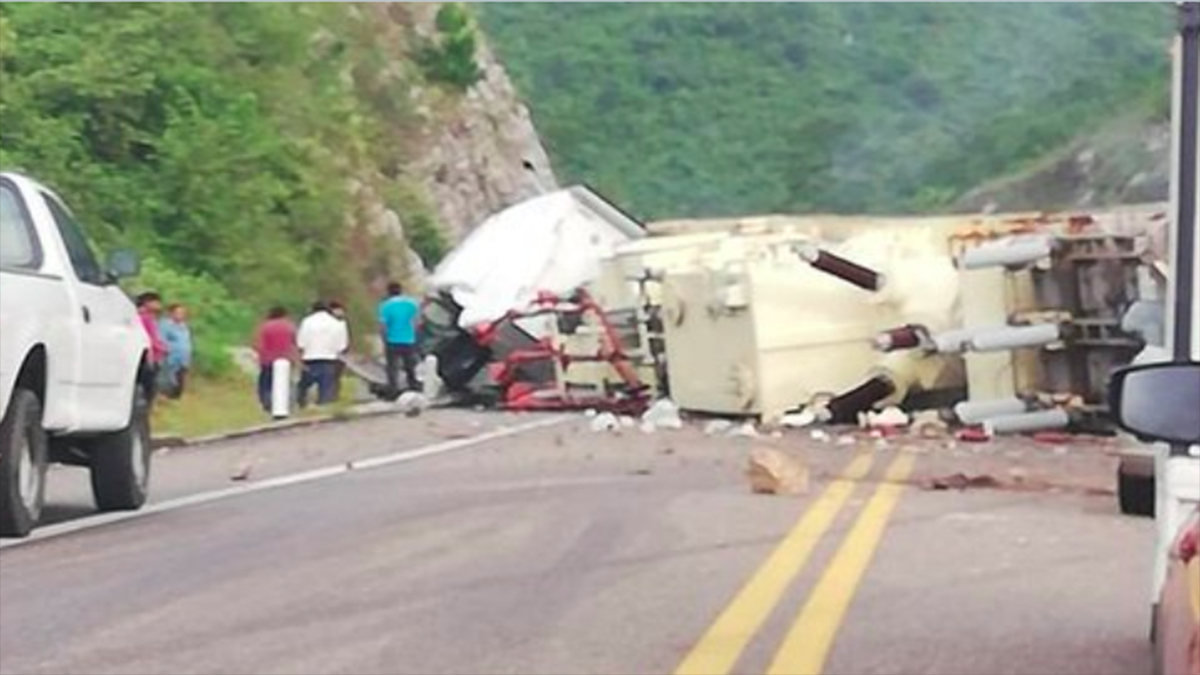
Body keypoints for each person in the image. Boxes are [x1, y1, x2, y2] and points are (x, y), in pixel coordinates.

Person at [296, 301, 348, 407]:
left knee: (303, 387)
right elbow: (342, 346)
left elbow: (300, 343)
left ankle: (302, 405)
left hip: (310, 359)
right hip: (329, 360)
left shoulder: (306, 322)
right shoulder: (336, 323)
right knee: (326, 390)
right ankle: (324, 407)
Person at [378, 281, 422, 397]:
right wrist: (414, 334)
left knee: (392, 367)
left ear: (388, 292)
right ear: (401, 290)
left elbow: (383, 326)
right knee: (410, 366)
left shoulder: (385, 306)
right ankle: (413, 387)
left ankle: (393, 390)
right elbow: (417, 322)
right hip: (409, 340)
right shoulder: (411, 304)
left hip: (392, 340)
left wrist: (384, 339)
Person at [253, 306, 297, 413]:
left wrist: (260, 355)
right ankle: (287, 404)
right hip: (285, 359)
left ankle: (267, 402)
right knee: (286, 383)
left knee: (265, 383)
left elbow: (258, 344)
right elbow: (295, 344)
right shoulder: (290, 326)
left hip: (267, 360)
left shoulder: (265, 327)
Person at [135, 292, 167, 400]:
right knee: (148, 383)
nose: (158, 305)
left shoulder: (151, 318)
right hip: (149, 355)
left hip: (153, 355)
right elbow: (150, 337)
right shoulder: (145, 318)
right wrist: (162, 348)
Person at [158, 303, 193, 399]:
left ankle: (176, 398)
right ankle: (164, 397)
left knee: (180, 381)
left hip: (183, 359)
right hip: (170, 358)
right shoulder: (165, 325)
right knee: (168, 379)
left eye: (182, 313)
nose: (181, 315)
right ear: (171, 313)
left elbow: (187, 341)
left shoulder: (184, 326)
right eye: (178, 312)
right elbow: (161, 340)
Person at [328, 300, 349, 401]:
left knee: (336, 377)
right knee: (332, 377)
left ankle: (334, 396)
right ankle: (331, 397)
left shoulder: (342, 322)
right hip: (332, 352)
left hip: (341, 352)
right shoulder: (332, 323)